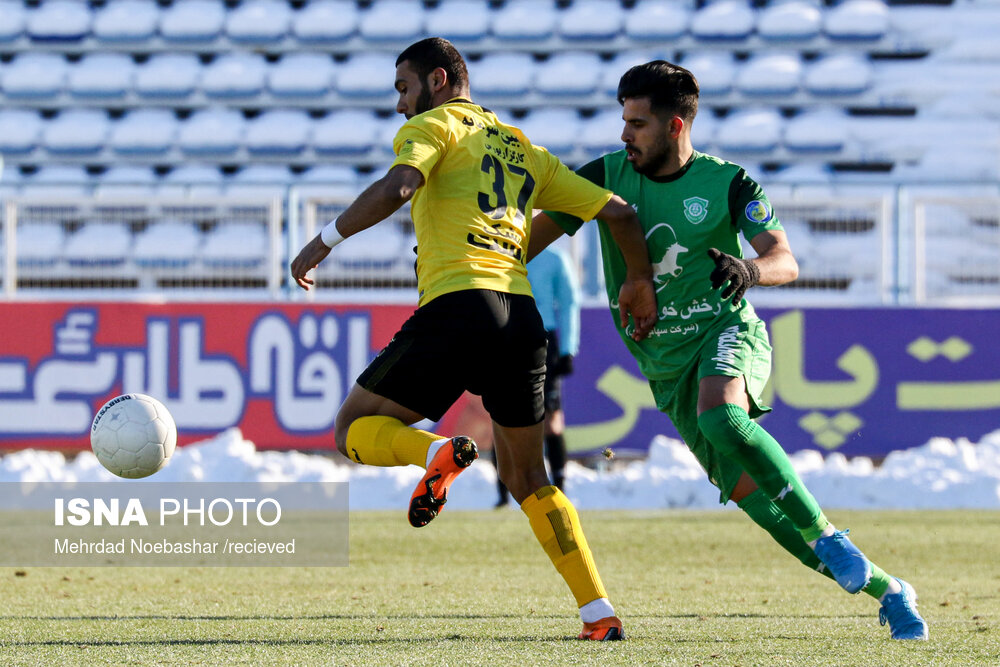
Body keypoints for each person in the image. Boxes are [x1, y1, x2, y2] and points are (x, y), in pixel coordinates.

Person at [529, 60, 928, 641]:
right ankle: (887, 588)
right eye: (623, 120)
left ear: (677, 124)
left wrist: (750, 269)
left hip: (728, 330)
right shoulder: (604, 176)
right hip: (666, 368)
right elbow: (531, 238)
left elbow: (786, 259)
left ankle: (829, 536)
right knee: (762, 507)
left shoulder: (729, 182)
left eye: (637, 123)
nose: (624, 134)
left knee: (722, 415)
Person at [290, 37, 658, 641]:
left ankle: (435, 453)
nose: (400, 105)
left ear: (437, 80)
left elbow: (398, 187)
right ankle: (598, 612)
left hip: (458, 305)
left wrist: (322, 241)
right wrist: (638, 283)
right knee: (526, 478)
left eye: (403, 89)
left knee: (350, 429)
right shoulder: (523, 148)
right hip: (521, 318)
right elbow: (618, 213)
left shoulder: (433, 127)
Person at [495, 244, 579, 506]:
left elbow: (568, 302)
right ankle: (502, 493)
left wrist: (567, 349)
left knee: (551, 418)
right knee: (500, 414)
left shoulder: (555, 258)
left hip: (543, 341)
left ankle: (560, 486)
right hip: (505, 339)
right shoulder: (498, 253)